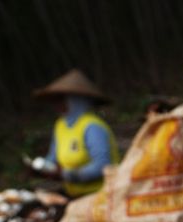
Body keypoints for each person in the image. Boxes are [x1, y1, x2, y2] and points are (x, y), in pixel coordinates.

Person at [33, 69, 120, 198]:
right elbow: (53, 157)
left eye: (61, 99)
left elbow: (103, 166)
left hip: (102, 195)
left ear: (76, 100)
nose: (56, 104)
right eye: (55, 100)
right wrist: (41, 168)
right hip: (74, 194)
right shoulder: (60, 125)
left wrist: (66, 175)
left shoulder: (92, 126)